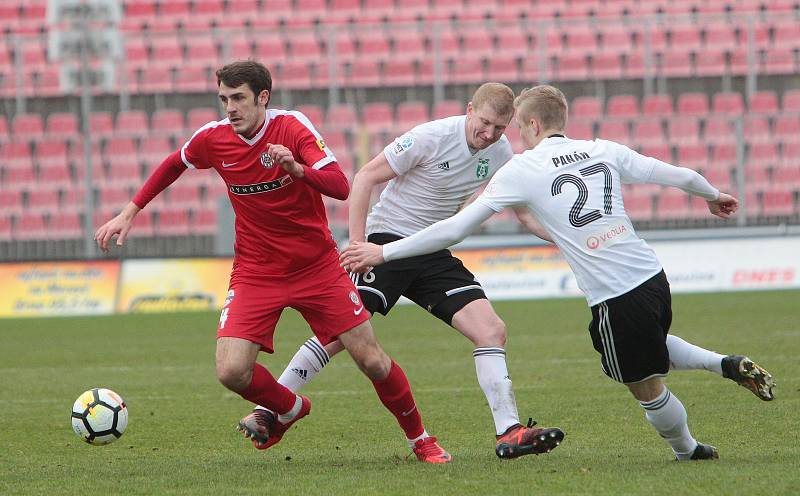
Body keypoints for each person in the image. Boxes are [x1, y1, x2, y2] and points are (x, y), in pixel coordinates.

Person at [340, 85, 776, 461]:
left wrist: (384, 253)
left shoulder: (523, 167)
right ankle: (724, 364)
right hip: (652, 276)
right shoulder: (601, 148)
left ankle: (688, 449)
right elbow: (676, 173)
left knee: (643, 382)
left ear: (528, 124)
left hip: (615, 293)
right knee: (648, 346)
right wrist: (714, 195)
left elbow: (455, 227)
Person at [94, 60, 452, 464]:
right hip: (256, 271)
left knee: (370, 359)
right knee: (231, 372)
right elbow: (175, 162)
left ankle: (420, 439)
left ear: (262, 97)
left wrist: (296, 169)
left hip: (316, 267)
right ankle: (290, 407)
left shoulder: (292, 127)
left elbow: (340, 185)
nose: (230, 108)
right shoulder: (213, 138)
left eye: (239, 98)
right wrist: (129, 212)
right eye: (224, 99)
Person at [261, 82, 565, 460]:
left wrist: (561, 236)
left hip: (432, 248)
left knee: (491, 330)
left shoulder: (501, 152)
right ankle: (272, 409)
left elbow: (522, 210)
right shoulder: (431, 136)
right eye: (484, 123)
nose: (489, 135)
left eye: (499, 128)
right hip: (386, 241)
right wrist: (359, 245)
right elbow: (365, 178)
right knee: (341, 333)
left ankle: (509, 431)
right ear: (470, 110)